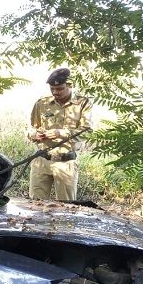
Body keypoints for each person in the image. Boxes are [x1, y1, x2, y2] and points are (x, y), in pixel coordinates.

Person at [27, 67, 93, 201]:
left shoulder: (82, 103)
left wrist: (60, 133)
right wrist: (34, 135)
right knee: (35, 204)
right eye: (52, 89)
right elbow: (31, 128)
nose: (55, 92)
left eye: (59, 89)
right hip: (41, 161)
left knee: (66, 207)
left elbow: (87, 131)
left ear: (69, 85)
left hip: (66, 163)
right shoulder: (42, 103)